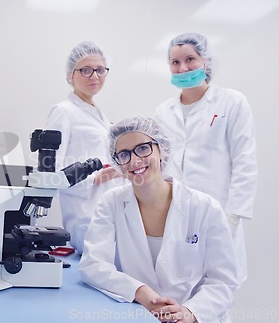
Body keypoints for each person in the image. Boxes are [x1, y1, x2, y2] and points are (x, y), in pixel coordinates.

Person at [78, 116, 238, 323]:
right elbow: (93, 264)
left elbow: (223, 281)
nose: (135, 161)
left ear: (161, 149)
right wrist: (140, 291)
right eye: (123, 154)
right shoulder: (111, 203)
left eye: (143, 148)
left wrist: (190, 312)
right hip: (141, 315)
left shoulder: (205, 207)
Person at [155, 32, 258, 286]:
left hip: (220, 214)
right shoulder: (163, 112)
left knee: (218, 292)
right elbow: (158, 164)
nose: (183, 68)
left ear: (206, 61)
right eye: (175, 62)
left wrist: (232, 217)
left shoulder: (231, 102)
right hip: (176, 216)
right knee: (178, 291)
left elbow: (245, 162)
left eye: (190, 59)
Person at [44, 41, 123, 254]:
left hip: (106, 208)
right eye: (85, 70)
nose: (94, 76)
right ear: (70, 75)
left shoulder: (97, 113)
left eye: (100, 70)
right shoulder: (64, 111)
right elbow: (50, 174)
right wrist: (96, 178)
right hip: (84, 214)